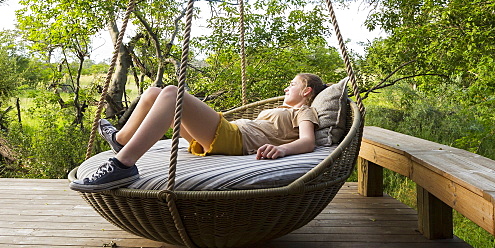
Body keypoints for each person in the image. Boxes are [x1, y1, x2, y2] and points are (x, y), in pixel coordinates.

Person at [70, 73, 326, 192]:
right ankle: (121, 140)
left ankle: (123, 164)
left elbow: (307, 142)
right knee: (153, 93)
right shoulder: (282, 108)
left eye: (292, 84)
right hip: (226, 134)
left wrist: (281, 149)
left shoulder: (303, 112)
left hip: (234, 138)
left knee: (172, 93)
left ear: (306, 91)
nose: (286, 87)